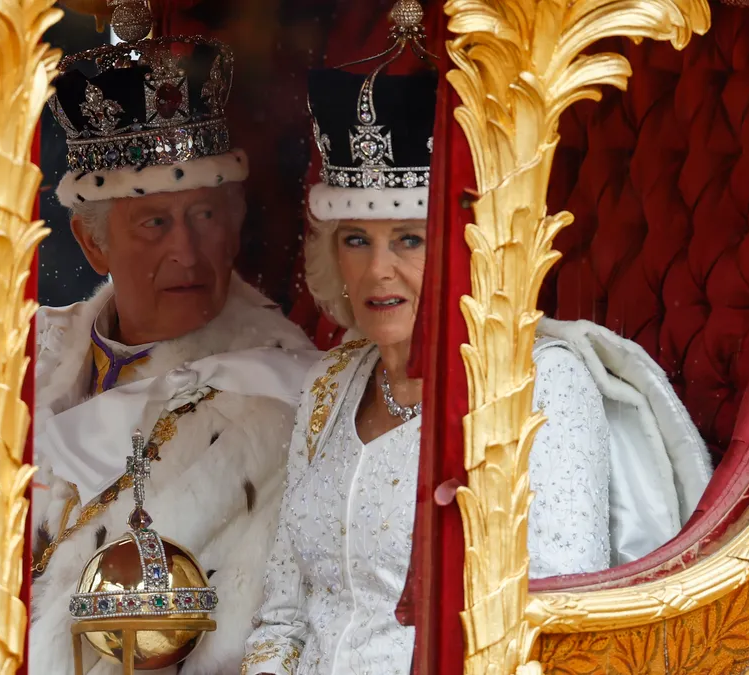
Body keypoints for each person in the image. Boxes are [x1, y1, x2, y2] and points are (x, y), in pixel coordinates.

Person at [0, 17, 319, 675]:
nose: (187, 251)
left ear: (237, 226)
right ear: (93, 241)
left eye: (206, 217)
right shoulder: (26, 351)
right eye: (155, 223)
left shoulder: (289, 395)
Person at [241, 6, 712, 673]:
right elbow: (284, 617)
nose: (379, 270)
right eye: (357, 240)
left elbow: (548, 623)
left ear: (463, 247)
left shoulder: (539, 383)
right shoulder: (330, 384)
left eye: (409, 240)